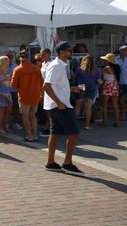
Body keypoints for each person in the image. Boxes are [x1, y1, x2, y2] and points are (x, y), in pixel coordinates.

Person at [44, 41, 84, 176]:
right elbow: (46, 86)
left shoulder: (60, 65)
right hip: (60, 106)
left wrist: (73, 89)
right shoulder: (56, 66)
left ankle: (50, 162)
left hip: (57, 105)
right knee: (73, 133)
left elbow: (56, 86)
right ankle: (67, 163)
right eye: (69, 50)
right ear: (62, 52)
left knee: (54, 133)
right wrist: (59, 102)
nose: (70, 53)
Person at [11, 50, 43, 142]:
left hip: (24, 96)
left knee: (25, 116)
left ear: (19, 58)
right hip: (35, 95)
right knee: (33, 115)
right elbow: (41, 82)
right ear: (28, 57)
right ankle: (35, 135)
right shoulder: (36, 68)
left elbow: (13, 85)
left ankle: (29, 136)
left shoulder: (17, 69)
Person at [74, 55, 102, 130]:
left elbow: (74, 76)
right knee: (88, 106)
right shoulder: (96, 70)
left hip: (81, 87)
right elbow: (99, 82)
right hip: (91, 87)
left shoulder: (79, 69)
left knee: (78, 106)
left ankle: (74, 125)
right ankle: (87, 125)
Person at [100, 53, 121, 128]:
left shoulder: (106, 68)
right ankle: (117, 122)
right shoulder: (117, 68)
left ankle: (104, 122)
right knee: (115, 105)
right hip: (115, 85)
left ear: (108, 61)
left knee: (104, 104)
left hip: (108, 85)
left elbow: (100, 74)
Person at [0, 56, 13, 134]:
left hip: (8, 92)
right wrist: (5, 79)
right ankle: (0, 128)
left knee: (8, 110)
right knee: (2, 111)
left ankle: (5, 126)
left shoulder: (7, 69)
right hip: (2, 93)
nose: (9, 62)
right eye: (8, 60)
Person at [39, 48, 52, 137]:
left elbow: (48, 80)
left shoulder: (51, 65)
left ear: (48, 54)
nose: (41, 56)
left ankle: (49, 128)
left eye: (43, 54)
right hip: (43, 89)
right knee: (46, 110)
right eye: (41, 54)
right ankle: (48, 127)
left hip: (48, 89)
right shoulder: (43, 64)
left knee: (49, 110)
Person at [7, 51, 22, 130]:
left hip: (14, 90)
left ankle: (15, 123)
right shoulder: (2, 66)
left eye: (11, 57)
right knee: (7, 107)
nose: (9, 58)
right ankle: (7, 123)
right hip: (6, 90)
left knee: (16, 107)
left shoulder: (16, 66)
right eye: (8, 56)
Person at [116, 44, 127, 121]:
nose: (124, 52)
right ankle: (123, 115)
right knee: (121, 99)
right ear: (119, 51)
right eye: (122, 50)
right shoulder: (116, 59)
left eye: (125, 50)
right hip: (120, 82)